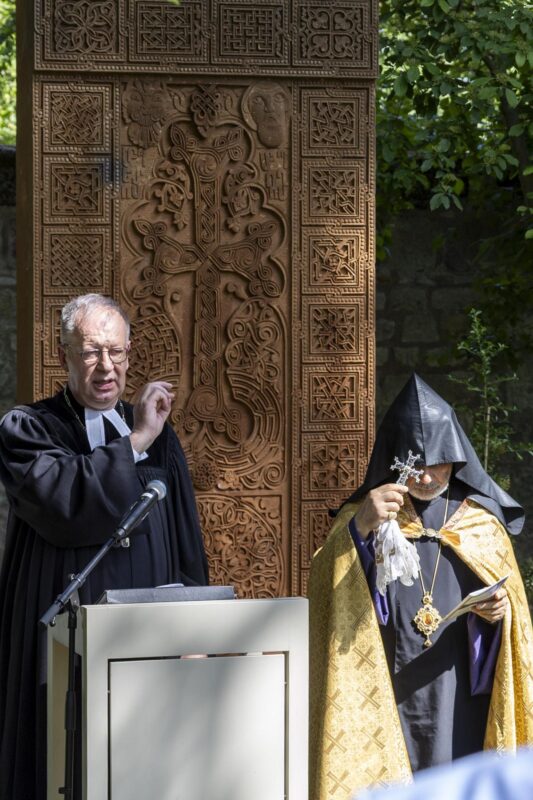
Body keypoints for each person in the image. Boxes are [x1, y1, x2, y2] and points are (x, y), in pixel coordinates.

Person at [0, 293, 208, 800]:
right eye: (91, 352)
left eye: (115, 352)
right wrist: (135, 442)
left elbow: (185, 537)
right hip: (61, 637)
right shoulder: (29, 428)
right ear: (64, 355)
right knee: (62, 760)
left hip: (151, 636)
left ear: (129, 354)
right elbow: (63, 503)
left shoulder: (160, 437)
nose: (106, 367)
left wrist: (199, 626)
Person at [309, 374, 533, 800]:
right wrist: (362, 528)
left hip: (459, 686)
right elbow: (325, 589)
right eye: (417, 465)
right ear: (396, 458)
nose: (427, 477)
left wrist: (497, 615)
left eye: (438, 463)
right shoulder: (366, 516)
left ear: (456, 458)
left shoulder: (481, 524)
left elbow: (514, 623)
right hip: (385, 684)